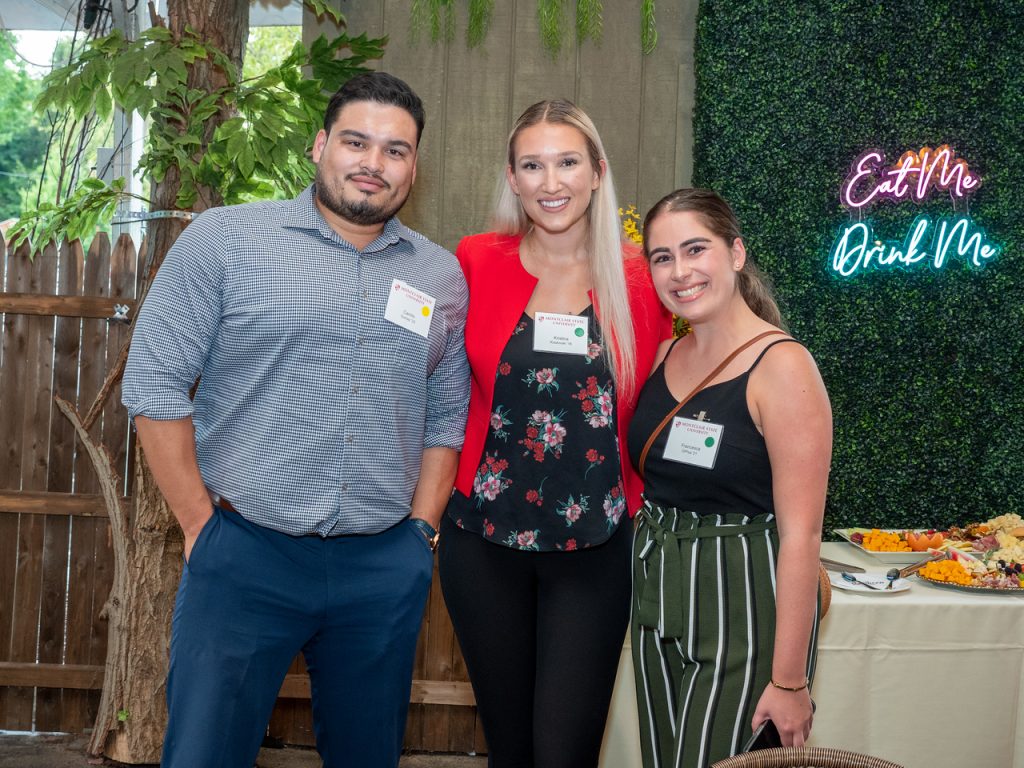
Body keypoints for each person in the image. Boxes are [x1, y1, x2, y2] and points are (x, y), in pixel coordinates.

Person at [121, 72, 469, 768]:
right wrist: (199, 526)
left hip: (381, 566)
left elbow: (445, 412)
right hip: (245, 552)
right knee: (204, 754)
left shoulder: (438, 275)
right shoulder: (226, 240)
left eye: (396, 150)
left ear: (414, 166)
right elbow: (154, 385)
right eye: (356, 142)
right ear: (319, 145)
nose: (373, 163)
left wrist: (421, 534)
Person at [437, 99, 671, 768]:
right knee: (509, 750)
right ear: (512, 178)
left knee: (564, 753)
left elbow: (681, 381)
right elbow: (435, 377)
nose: (551, 182)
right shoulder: (476, 259)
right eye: (533, 166)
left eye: (567, 162)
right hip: (483, 541)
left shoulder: (641, 276)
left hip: (594, 545)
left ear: (598, 172)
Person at [628, 188, 832, 768]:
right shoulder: (666, 355)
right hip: (657, 600)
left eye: (696, 249)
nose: (680, 271)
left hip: (742, 606)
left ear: (736, 253)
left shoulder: (783, 366)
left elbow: (801, 535)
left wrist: (789, 681)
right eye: (663, 257)